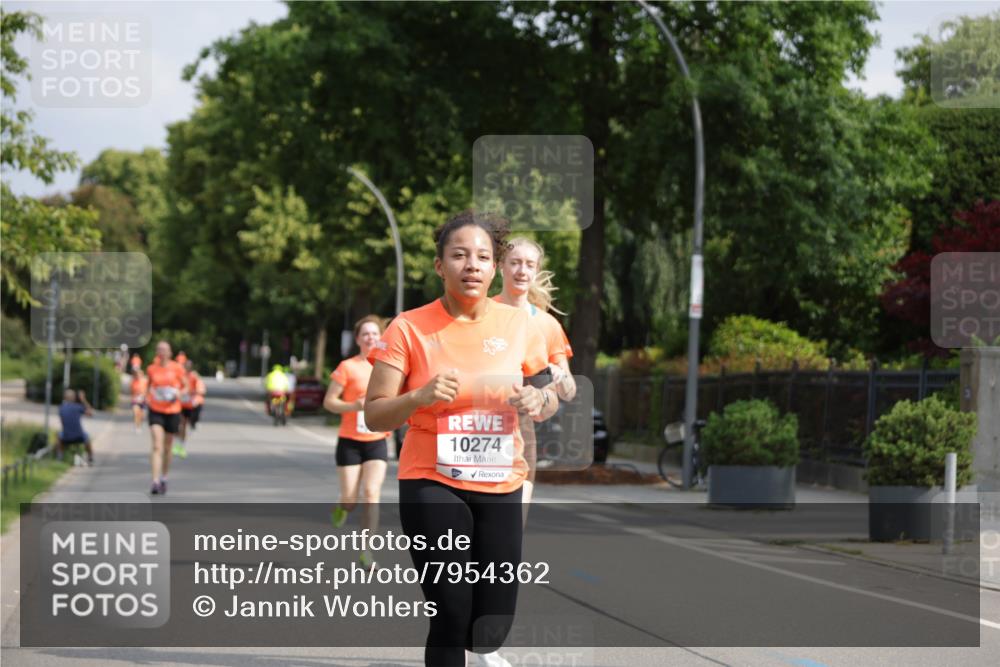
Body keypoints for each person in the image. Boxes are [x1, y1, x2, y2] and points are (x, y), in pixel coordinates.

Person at [365, 211, 558, 667]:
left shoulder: (520, 325)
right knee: (450, 612)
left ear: (494, 268)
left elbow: (548, 395)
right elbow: (374, 414)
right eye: (459, 255)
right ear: (440, 265)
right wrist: (420, 396)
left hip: (501, 481)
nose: (472, 265)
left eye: (482, 257)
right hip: (430, 479)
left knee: (488, 629)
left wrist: (539, 400)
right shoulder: (407, 327)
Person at [494, 237, 576, 511]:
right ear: (501, 266)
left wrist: (558, 376)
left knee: (513, 526)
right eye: (515, 263)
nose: (522, 270)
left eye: (529, 265)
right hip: (478, 423)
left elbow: (569, 392)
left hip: (520, 431)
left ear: (536, 271)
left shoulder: (547, 324)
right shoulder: (481, 312)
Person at [323, 315, 390, 567]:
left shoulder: (387, 366)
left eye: (374, 333)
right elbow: (329, 402)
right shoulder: (347, 367)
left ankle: (367, 551)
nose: (370, 337)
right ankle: (342, 506)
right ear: (358, 339)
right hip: (350, 441)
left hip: (377, 440)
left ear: (381, 337)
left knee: (372, 494)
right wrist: (354, 405)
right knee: (351, 499)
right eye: (365, 334)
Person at [146, 341, 189, 495]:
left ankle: (164, 477)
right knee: (157, 446)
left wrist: (178, 393)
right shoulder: (151, 368)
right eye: (159, 349)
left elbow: (186, 386)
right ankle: (155, 481)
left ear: (170, 352)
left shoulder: (177, 368)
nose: (162, 352)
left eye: (165, 350)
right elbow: (148, 387)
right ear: (156, 352)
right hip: (156, 410)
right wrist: (149, 395)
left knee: (167, 447)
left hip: (172, 410)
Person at [177, 358, 207, 457]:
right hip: (180, 404)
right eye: (186, 366)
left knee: (185, 425)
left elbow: (199, 388)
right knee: (181, 424)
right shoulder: (180, 375)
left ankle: (182, 444)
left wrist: (194, 392)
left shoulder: (194, 376)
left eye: (189, 366)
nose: (187, 367)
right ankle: (179, 442)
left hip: (189, 404)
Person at [57, 389, 94, 465]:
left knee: (59, 436)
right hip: (79, 436)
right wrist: (83, 399)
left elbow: (63, 422)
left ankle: (59, 457)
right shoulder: (78, 407)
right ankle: (90, 458)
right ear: (73, 398)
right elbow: (90, 413)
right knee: (87, 437)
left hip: (66, 437)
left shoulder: (61, 408)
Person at [130, 367, 148, 433]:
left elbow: (148, 390)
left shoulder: (145, 381)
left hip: (143, 400)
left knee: (142, 415)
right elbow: (131, 391)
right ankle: (136, 426)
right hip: (135, 400)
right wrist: (133, 397)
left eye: (139, 374)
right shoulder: (133, 382)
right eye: (136, 374)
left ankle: (139, 425)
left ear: (142, 374)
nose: (138, 375)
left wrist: (145, 396)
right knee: (136, 413)